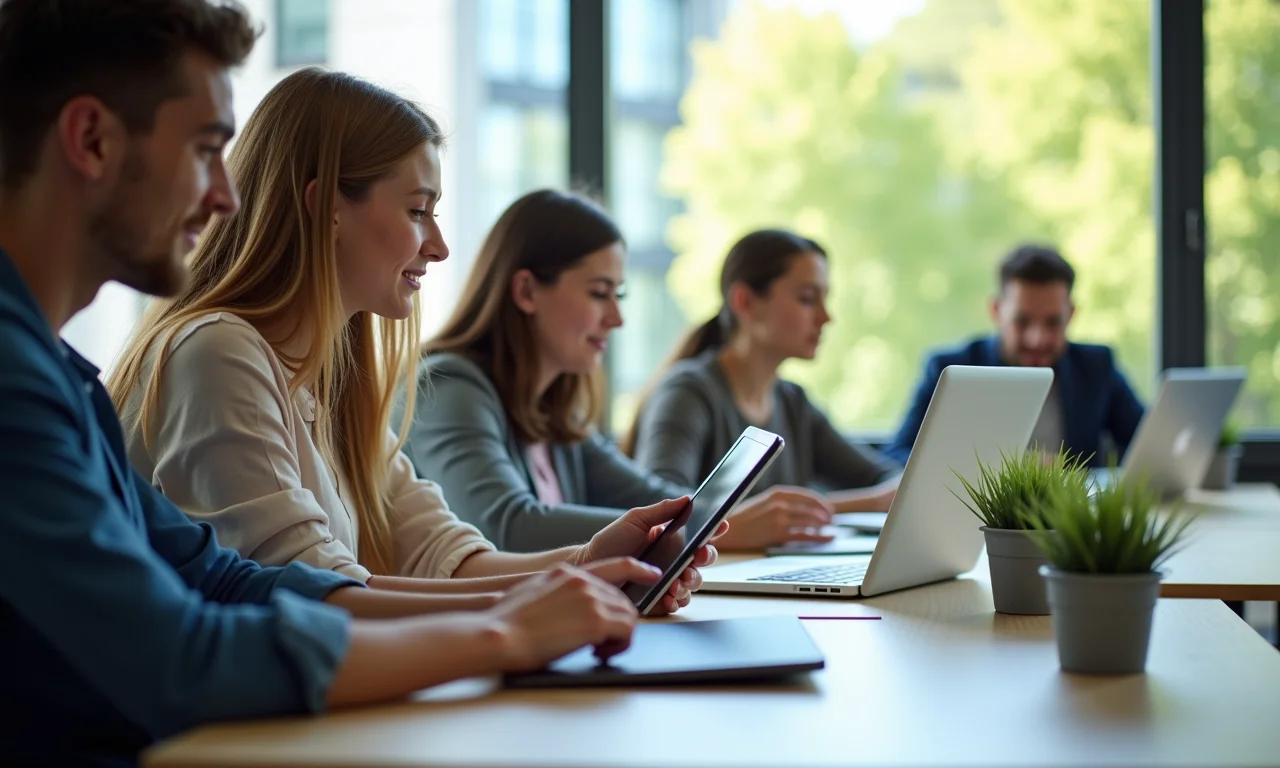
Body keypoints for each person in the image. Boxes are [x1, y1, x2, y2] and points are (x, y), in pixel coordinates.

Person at [0, 3, 705, 764]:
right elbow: (183, 656)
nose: (226, 196)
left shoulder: (61, 376)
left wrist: (572, 576)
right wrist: (502, 630)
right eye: (205, 151)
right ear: (91, 140)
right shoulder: (57, 376)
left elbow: (228, 580)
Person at [106, 67, 710, 614]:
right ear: (327, 210)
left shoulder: (328, 379)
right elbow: (316, 596)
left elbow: (441, 553)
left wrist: (588, 564)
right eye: (418, 211)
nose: (439, 246)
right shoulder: (217, 353)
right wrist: (555, 597)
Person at [407, 191, 825, 552]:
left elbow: (655, 499)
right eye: (599, 293)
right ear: (527, 291)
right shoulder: (447, 386)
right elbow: (508, 526)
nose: (617, 318)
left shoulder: (553, 413)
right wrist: (700, 529)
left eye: (618, 295)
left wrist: (710, 522)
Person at [625, 229, 902, 536]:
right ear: (745, 302)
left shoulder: (792, 402)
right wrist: (863, 504)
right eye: (808, 299)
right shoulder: (688, 393)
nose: (826, 317)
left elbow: (886, 479)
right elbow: (659, 512)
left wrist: (810, 511)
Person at [884, 243, 1145, 467]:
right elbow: (898, 456)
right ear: (997, 311)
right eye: (1022, 321)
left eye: (1053, 322)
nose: (1037, 338)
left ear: (1071, 314)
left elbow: (1146, 445)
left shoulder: (1096, 367)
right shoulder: (951, 368)